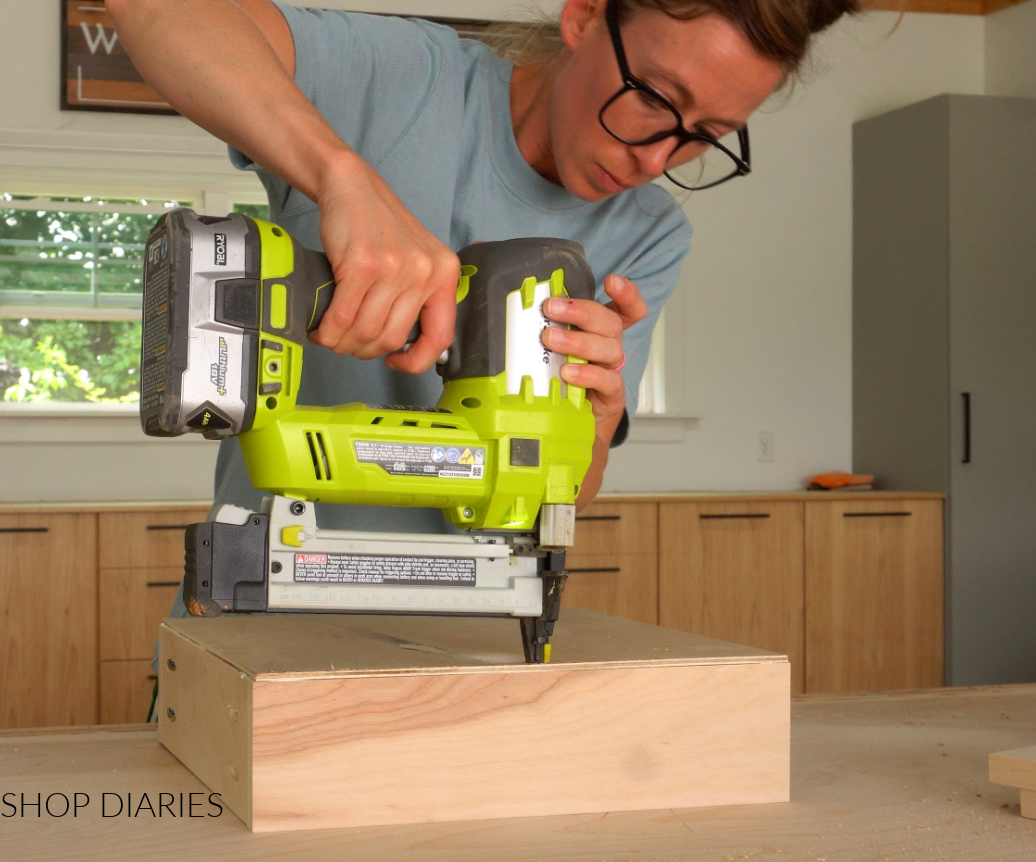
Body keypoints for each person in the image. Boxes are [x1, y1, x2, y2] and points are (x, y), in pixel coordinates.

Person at [109, 0, 856, 545]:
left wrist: (589, 420)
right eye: (656, 99)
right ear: (585, 17)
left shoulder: (649, 231)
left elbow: (571, 492)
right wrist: (344, 176)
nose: (655, 159)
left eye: (706, 136)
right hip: (265, 597)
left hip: (475, 627)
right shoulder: (404, 79)